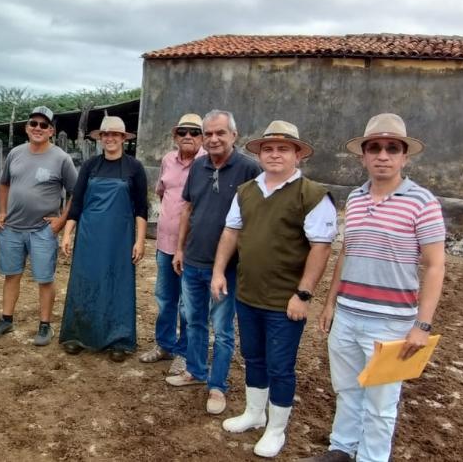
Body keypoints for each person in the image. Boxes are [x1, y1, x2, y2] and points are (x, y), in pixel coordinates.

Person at [300, 114, 445, 462]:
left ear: (404, 157)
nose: (383, 155)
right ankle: (342, 449)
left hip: (391, 323)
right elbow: (347, 252)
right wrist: (331, 303)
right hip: (348, 315)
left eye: (392, 149)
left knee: (381, 404)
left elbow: (435, 265)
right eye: (375, 148)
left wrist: (422, 325)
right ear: (363, 156)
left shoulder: (422, 202)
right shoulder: (356, 198)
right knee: (347, 390)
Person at [211, 120, 337, 458]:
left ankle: (276, 428)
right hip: (248, 294)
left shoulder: (311, 195)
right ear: (260, 154)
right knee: (253, 356)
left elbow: (321, 247)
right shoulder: (246, 191)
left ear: (298, 154)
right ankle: (255, 413)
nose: (275, 154)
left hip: (285, 301)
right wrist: (219, 271)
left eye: (283, 148)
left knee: (280, 366)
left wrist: (303, 294)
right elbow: (231, 232)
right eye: (268, 149)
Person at [165, 109, 261, 415]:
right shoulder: (198, 165)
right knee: (194, 321)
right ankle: (195, 371)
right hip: (193, 260)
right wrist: (180, 249)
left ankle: (217, 385)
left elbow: (257, 218)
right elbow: (188, 209)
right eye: (208, 134)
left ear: (234, 135)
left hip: (227, 267)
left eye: (221, 133)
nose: (214, 139)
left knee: (222, 329)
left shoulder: (249, 169)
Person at [0, 106, 78, 346]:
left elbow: (76, 192)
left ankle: (45, 325)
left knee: (45, 278)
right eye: (33, 124)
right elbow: (4, 184)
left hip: (42, 230)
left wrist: (61, 220)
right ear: (27, 128)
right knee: (11, 275)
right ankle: (6, 319)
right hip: (12, 228)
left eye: (43, 125)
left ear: (51, 131)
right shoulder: (15, 153)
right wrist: (2, 211)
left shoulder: (61, 158)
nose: (38, 128)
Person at [59, 116, 147, 362]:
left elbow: (141, 208)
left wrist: (140, 240)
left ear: (123, 138)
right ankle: (78, 335)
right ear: (100, 138)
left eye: (115, 134)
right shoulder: (90, 166)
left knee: (117, 283)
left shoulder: (134, 167)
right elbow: (77, 203)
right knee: (85, 281)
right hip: (89, 235)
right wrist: (67, 234)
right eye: (105, 134)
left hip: (120, 237)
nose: (110, 138)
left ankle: (118, 339)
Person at [139, 113, 204, 374]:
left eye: (194, 132)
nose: (188, 136)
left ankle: (184, 352)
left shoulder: (208, 163)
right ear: (175, 136)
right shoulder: (167, 160)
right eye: (182, 132)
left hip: (194, 248)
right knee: (165, 298)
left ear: (203, 137)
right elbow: (162, 193)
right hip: (165, 244)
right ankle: (164, 345)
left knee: (189, 304)